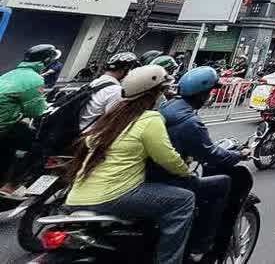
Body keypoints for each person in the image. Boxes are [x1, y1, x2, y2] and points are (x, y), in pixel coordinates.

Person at [65, 65, 200, 264]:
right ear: (154, 94)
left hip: (76, 197)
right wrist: (185, 172)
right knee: (184, 200)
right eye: (163, 91)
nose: (165, 96)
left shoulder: (111, 116)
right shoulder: (150, 119)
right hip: (113, 196)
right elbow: (167, 158)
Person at [159, 66, 249, 259]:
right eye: (209, 92)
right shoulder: (190, 121)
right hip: (167, 178)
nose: (210, 96)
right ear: (202, 94)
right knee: (223, 183)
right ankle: (201, 244)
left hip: (155, 172)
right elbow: (210, 154)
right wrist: (239, 155)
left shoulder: (166, 107)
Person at [0, 44, 60, 186]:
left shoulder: (10, 74)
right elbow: (36, 111)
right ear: (46, 61)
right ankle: (14, 183)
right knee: (40, 145)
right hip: (4, 128)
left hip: (5, 124)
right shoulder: (35, 79)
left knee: (14, 140)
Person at [78, 51, 141, 132]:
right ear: (124, 70)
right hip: (89, 134)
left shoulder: (94, 83)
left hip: (77, 130)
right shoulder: (115, 90)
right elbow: (112, 121)